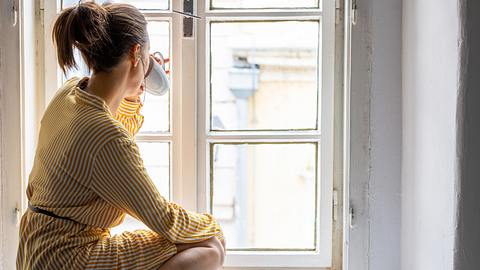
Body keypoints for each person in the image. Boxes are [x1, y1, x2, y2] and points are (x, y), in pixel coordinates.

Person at [16, 2, 226, 269]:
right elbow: (163, 220)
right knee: (210, 247)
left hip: (37, 247)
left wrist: (133, 91)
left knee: (201, 242)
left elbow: (103, 145)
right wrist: (212, 225)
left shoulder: (70, 93)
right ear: (136, 53)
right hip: (68, 257)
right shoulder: (107, 137)